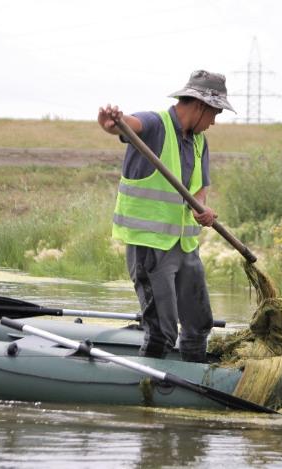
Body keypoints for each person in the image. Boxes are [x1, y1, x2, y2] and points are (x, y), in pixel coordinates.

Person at [97, 70, 236, 362]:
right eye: (214, 113)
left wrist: (202, 208)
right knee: (162, 331)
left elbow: (200, 189)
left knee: (199, 326)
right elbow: (126, 126)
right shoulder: (154, 124)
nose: (214, 121)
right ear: (199, 105)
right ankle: (149, 396)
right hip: (151, 248)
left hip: (186, 248)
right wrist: (112, 124)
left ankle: (196, 380)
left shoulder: (199, 142)